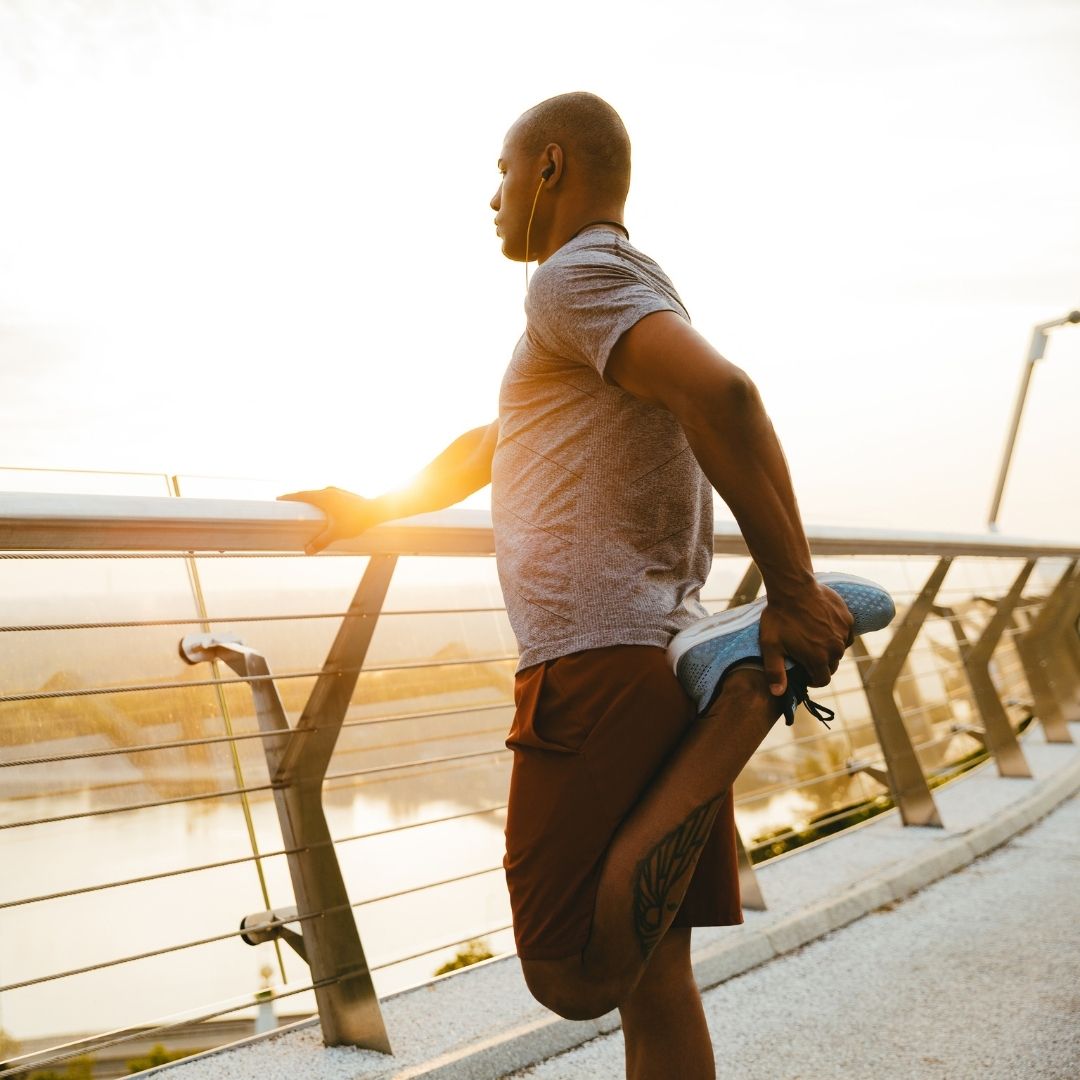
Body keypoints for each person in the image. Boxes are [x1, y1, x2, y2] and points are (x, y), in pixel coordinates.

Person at [280, 91, 853, 1080]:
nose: (492, 198)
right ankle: (734, 688)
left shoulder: (573, 277)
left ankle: (746, 702)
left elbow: (729, 394)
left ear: (549, 166)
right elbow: (500, 441)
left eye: (502, 172)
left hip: (595, 664)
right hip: (654, 649)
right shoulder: (626, 290)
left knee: (568, 976)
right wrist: (377, 503)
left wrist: (796, 588)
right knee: (653, 979)